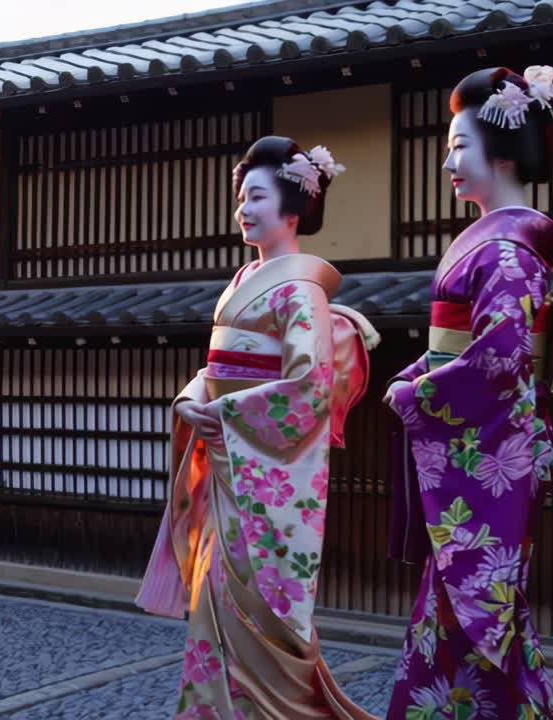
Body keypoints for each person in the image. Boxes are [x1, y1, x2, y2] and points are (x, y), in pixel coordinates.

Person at [137, 135, 378, 720]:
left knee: (253, 605)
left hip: (260, 473)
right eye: (241, 196)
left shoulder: (300, 290)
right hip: (230, 466)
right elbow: (218, 366)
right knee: (212, 599)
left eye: (258, 196)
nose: (244, 208)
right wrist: (192, 398)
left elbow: (310, 387)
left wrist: (221, 412)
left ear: (293, 208)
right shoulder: (245, 279)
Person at [384, 66, 553, 720]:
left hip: (493, 449)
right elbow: (461, 347)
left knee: (470, 611)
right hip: (491, 441)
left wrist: (417, 397)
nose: (448, 163)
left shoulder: (507, 250)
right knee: (478, 617)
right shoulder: (498, 243)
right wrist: (419, 373)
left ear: (500, 151)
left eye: (458, 147)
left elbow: (503, 356)